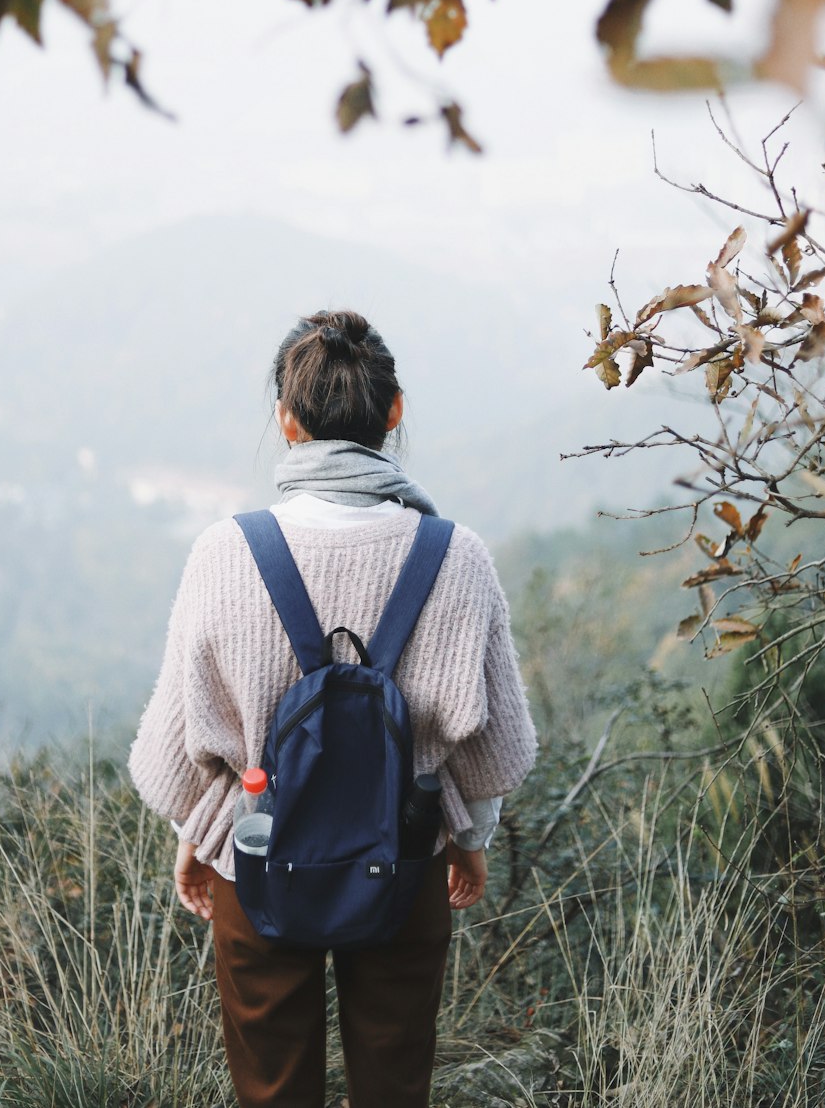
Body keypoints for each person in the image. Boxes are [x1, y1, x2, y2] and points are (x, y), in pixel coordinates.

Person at [129, 310, 537, 1108]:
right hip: (407, 854)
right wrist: (473, 840)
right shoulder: (456, 556)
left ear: (287, 421)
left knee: (272, 1086)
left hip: (254, 850)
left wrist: (193, 836)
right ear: (395, 411)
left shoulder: (225, 552)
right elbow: (492, 741)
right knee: (393, 1082)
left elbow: (185, 734)